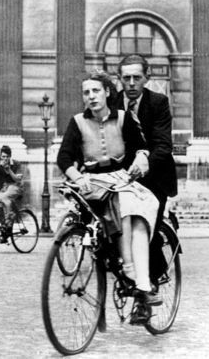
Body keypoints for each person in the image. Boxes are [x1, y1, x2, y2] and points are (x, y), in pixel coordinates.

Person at [56, 70, 161, 320]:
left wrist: (140, 158)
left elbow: (140, 148)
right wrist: (77, 176)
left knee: (136, 214)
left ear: (106, 92)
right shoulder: (78, 122)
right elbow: (64, 156)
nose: (91, 96)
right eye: (86, 92)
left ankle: (140, 279)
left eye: (95, 91)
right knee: (118, 207)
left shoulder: (124, 118)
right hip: (91, 180)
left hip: (121, 179)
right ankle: (129, 270)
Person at [116, 54, 178, 282]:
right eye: (126, 78)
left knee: (143, 230)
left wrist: (144, 164)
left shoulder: (158, 103)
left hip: (154, 178)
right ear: (119, 79)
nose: (131, 83)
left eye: (137, 77)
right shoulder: (111, 103)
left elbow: (163, 146)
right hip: (122, 179)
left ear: (147, 78)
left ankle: (149, 287)